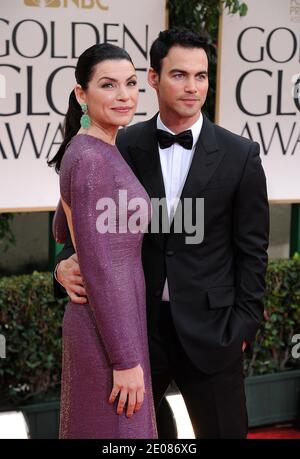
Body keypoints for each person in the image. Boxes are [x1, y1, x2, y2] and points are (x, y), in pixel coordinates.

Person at [53, 28, 269, 439]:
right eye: (179, 75)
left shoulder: (240, 155)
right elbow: (73, 219)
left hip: (212, 333)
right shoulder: (119, 144)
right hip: (137, 331)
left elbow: (253, 250)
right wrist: (62, 264)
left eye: (201, 76)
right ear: (153, 78)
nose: (192, 87)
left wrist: (242, 327)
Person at [48, 43, 157, 439]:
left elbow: (63, 229)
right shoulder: (93, 158)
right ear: (82, 94)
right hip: (108, 330)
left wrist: (65, 263)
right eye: (108, 85)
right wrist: (125, 359)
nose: (124, 95)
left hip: (113, 322)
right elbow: (100, 266)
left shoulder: (89, 149)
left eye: (130, 83)